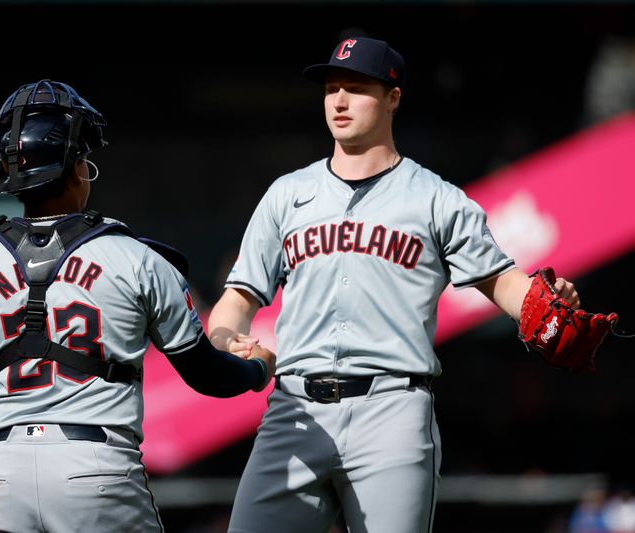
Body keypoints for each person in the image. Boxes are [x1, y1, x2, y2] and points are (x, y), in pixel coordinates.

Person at [207, 36, 582, 533]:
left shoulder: (437, 199)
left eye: (356, 88)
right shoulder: (286, 195)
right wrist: (222, 336)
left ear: (393, 97)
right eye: (331, 88)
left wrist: (544, 300)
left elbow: (506, 285)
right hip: (294, 410)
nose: (339, 101)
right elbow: (236, 300)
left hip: (392, 411)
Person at [0, 79, 275, 533]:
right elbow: (207, 376)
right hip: (96, 466)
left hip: (3, 474)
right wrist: (257, 369)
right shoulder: (137, 257)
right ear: (78, 168)